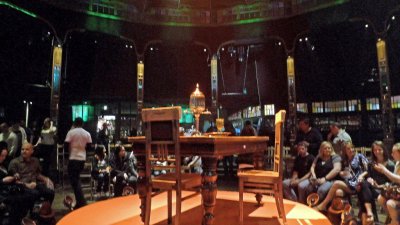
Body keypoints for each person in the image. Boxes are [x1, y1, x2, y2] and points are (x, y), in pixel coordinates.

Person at [314, 142, 368, 211]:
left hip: (357, 184)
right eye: (348, 149)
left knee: (336, 183)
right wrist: (342, 173)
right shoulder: (344, 160)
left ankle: (322, 206)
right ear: (345, 151)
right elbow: (340, 173)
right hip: (348, 183)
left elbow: (368, 169)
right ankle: (342, 212)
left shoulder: (360, 156)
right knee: (338, 192)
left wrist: (361, 175)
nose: (351, 150)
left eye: (352, 148)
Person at [357, 140, 395, 224]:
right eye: (375, 150)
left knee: (363, 191)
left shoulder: (390, 164)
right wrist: (370, 179)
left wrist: (379, 186)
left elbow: (392, 183)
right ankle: (370, 213)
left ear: (383, 150)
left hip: (383, 190)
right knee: (363, 184)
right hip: (372, 188)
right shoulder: (372, 163)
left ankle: (366, 216)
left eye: (379, 149)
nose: (377, 152)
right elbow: (369, 176)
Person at [0, 142, 37, 225]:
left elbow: (10, 174)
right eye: (1, 156)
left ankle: (21, 218)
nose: (3, 158)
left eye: (5, 156)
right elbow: (3, 180)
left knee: (30, 195)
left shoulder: (4, 164)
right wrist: (2, 181)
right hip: (2, 191)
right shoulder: (13, 162)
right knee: (19, 199)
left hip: (9, 187)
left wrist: (14, 175)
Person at [64, 117, 92, 209]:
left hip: (73, 158)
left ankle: (82, 203)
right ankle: (79, 203)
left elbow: (66, 145)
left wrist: (68, 154)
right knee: (76, 180)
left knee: (75, 181)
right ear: (82, 124)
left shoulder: (71, 132)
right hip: (82, 158)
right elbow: (89, 147)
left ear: (74, 123)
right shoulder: (87, 133)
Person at [374, 142, 400, 225]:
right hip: (398, 192)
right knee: (380, 198)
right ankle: (393, 218)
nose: (392, 154)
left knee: (390, 203)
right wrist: (379, 186)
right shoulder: (397, 163)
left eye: (393, 152)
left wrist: (384, 170)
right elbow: (394, 182)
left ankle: (395, 222)